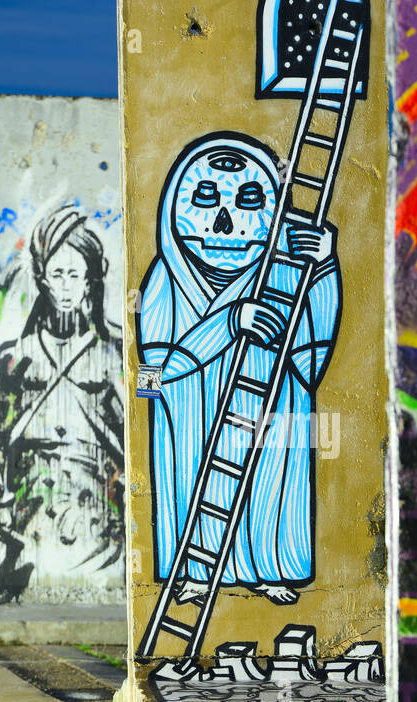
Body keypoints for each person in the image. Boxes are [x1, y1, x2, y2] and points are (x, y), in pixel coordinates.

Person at [138, 133, 341, 607]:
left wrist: (324, 268)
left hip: (267, 415)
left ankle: (268, 566)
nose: (225, 222)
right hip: (192, 427)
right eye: (206, 199)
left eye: (248, 200)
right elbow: (150, 379)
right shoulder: (162, 283)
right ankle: (191, 572)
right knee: (190, 491)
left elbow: (313, 351)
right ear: (175, 209)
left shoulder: (287, 270)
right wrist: (229, 324)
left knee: (270, 487)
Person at [0, 206, 124, 603]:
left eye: (76, 274)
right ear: (42, 279)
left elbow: (141, 427)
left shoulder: (115, 353)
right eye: (58, 274)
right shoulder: (13, 356)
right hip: (30, 511)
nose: (67, 285)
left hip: (98, 514)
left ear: (91, 280)